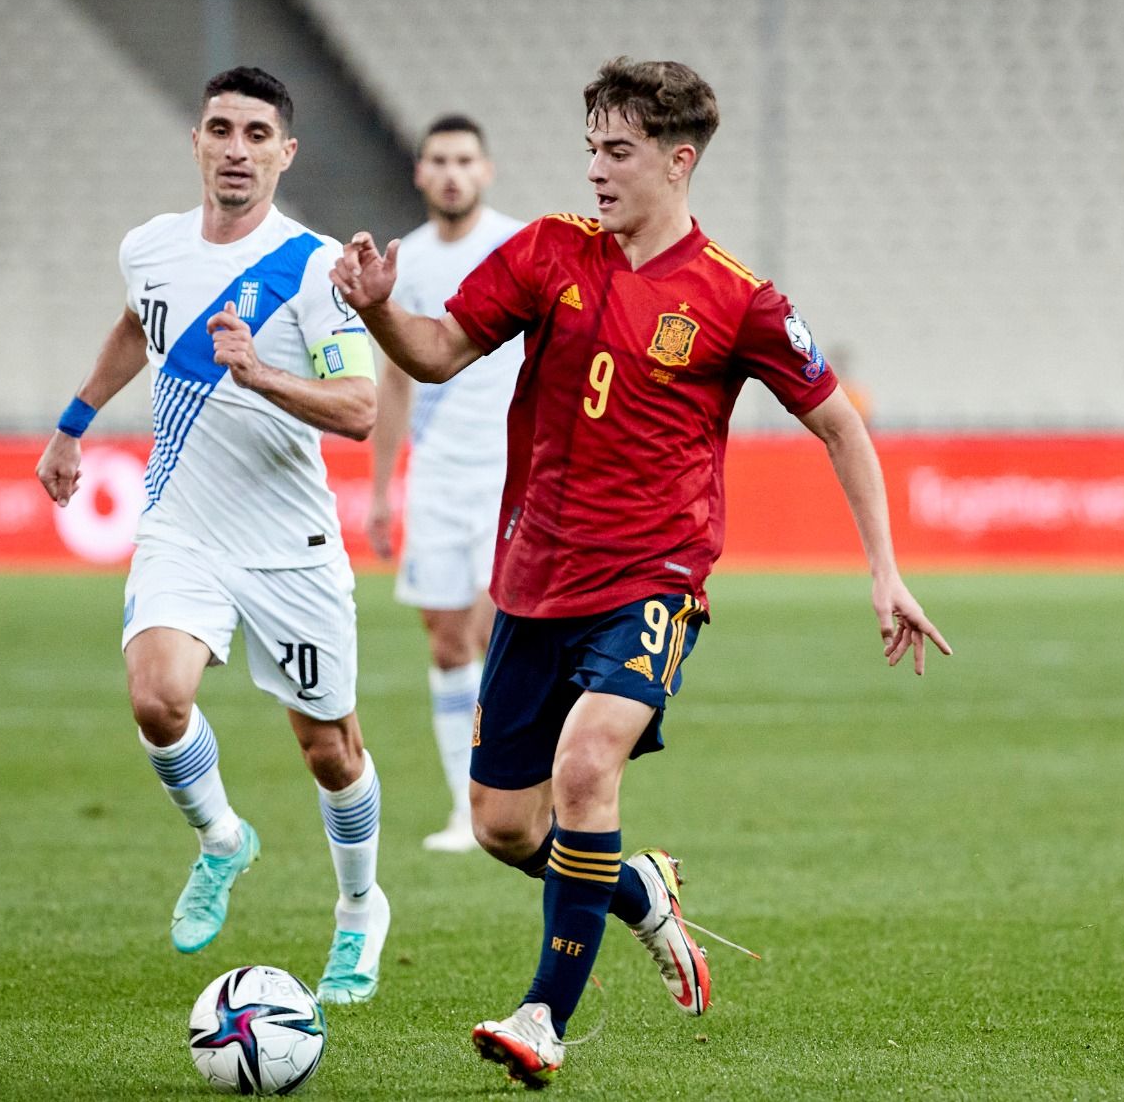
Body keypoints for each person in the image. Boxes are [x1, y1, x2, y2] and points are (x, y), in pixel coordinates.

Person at [332, 57, 950, 1087]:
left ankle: (543, 1017)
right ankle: (640, 894)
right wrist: (378, 311)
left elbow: (840, 424)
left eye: (617, 152)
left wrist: (883, 570)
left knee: (586, 767)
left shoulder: (739, 300)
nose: (596, 170)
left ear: (677, 161)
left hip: (653, 579)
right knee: (503, 827)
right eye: (590, 149)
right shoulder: (548, 251)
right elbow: (435, 353)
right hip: (534, 576)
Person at [34, 66, 391, 1005]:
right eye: (221, 130)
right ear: (195, 141)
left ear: (286, 153)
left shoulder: (311, 266)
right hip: (182, 528)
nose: (237, 149)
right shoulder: (148, 247)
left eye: (256, 134)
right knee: (157, 698)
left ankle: (360, 909)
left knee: (331, 750)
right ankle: (223, 838)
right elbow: (136, 325)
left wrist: (261, 374)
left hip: (289, 548)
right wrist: (73, 422)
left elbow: (360, 408)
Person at [367, 115, 525, 853]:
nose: (453, 173)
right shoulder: (407, 262)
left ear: (485, 170)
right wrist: (381, 491)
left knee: (500, 634)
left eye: (465, 159)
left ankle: (512, 795)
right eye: (440, 160)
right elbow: (395, 381)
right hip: (435, 477)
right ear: (421, 173)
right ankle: (466, 807)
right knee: (446, 642)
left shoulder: (517, 247)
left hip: (509, 474)